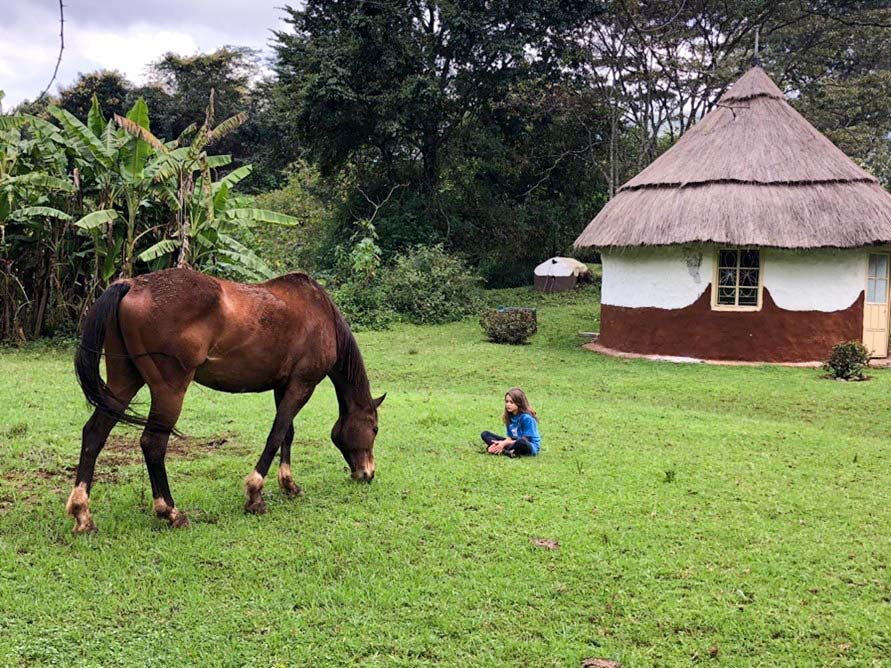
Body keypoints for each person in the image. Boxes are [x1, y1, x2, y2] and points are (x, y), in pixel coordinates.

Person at [481, 387, 541, 457]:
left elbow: (525, 440)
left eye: (511, 402)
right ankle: (507, 451)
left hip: (528, 445)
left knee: (521, 442)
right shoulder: (509, 417)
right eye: (507, 402)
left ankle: (500, 450)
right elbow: (510, 437)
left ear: (519, 403)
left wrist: (503, 444)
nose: (508, 404)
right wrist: (502, 443)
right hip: (513, 442)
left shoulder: (526, 418)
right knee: (485, 434)